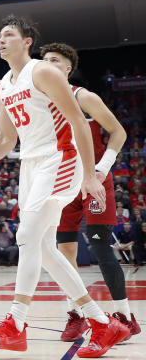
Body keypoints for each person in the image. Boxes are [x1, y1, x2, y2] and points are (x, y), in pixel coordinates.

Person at [0, 16, 127, 356]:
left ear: (27, 41)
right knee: (46, 248)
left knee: (26, 237)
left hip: (60, 159)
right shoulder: (3, 84)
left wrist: (90, 174)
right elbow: (7, 139)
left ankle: (15, 323)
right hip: (31, 165)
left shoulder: (44, 72)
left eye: (8, 34)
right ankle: (101, 323)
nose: (1, 40)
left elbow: (79, 122)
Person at [41, 42, 140, 340]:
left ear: (68, 68)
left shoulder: (82, 96)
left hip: (93, 180)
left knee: (99, 247)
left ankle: (124, 315)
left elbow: (119, 132)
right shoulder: (40, 104)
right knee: (64, 252)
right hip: (62, 183)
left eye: (54, 60)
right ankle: (77, 314)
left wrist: (102, 168)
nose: (47, 65)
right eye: (44, 61)